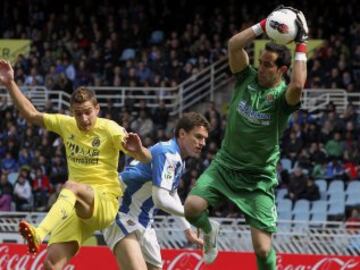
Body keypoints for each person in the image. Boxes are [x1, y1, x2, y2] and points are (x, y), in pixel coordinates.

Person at [184, 5, 309, 270]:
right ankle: (209, 231)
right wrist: (265, 25)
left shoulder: (283, 98)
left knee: (263, 251)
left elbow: (299, 85)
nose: (261, 68)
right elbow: (233, 45)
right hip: (225, 167)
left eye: (267, 65)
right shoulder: (246, 78)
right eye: (260, 62)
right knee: (192, 208)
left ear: (281, 70)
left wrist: (302, 44)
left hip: (258, 179)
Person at [0, 59, 152, 269]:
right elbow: (32, 115)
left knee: (71, 186)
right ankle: (40, 236)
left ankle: (39, 233)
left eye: (88, 111)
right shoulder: (67, 125)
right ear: (72, 112)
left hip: (105, 201)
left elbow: (146, 159)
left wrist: (139, 151)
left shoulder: (111, 129)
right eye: (78, 113)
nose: (84, 118)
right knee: (51, 264)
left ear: (97, 109)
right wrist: (10, 83)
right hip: (75, 205)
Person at [103, 112, 209, 270]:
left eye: (205, 139)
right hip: (119, 210)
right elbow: (161, 199)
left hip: (144, 220)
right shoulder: (167, 153)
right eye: (198, 137)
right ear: (182, 134)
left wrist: (187, 229)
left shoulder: (178, 159)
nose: (203, 143)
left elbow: (171, 194)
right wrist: (191, 213)